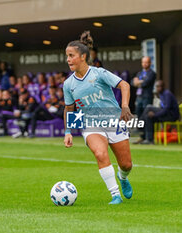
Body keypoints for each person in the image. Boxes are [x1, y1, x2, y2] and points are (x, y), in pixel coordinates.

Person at [63, 31, 133, 205]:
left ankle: (123, 178)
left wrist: (124, 106)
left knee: (126, 165)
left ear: (83, 56)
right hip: (91, 125)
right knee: (100, 154)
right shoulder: (68, 84)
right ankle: (115, 194)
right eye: (67, 56)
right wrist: (68, 131)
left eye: (71, 56)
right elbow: (69, 108)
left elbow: (124, 85)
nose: (68, 60)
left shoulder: (99, 73)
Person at [138, 80, 180, 144]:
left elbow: (166, 109)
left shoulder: (167, 94)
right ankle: (149, 140)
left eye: (159, 87)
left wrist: (155, 115)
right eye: (156, 87)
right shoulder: (160, 94)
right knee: (148, 117)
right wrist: (154, 115)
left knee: (149, 107)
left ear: (163, 87)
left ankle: (139, 125)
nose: (157, 88)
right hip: (165, 115)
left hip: (171, 115)